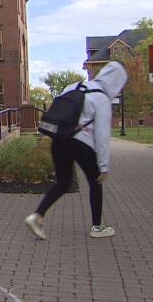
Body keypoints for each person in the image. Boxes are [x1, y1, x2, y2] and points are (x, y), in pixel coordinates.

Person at [24, 61, 127, 240]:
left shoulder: (75, 86)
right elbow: (102, 135)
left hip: (59, 139)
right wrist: (103, 166)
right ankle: (97, 226)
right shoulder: (101, 98)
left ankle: (37, 216)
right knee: (96, 181)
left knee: (63, 183)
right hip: (82, 143)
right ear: (116, 82)